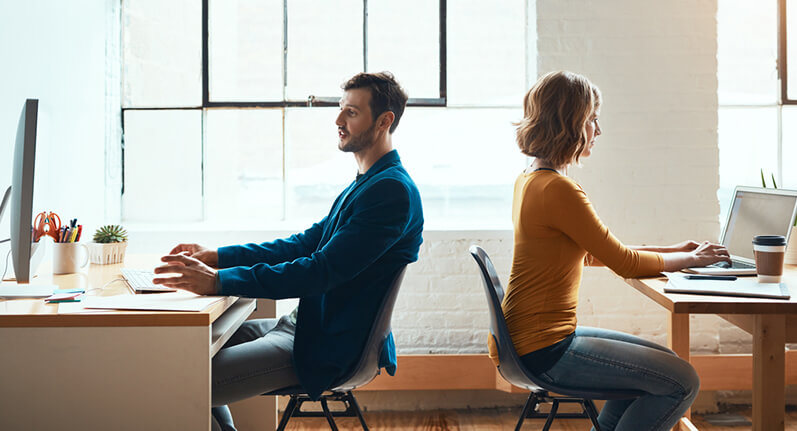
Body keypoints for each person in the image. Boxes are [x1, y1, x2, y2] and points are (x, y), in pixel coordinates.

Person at [153, 72, 424, 431]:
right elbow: (303, 244)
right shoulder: (368, 183)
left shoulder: (390, 192)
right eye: (341, 110)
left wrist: (218, 282)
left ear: (384, 121)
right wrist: (218, 257)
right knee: (182, 352)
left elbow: (319, 271)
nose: (338, 120)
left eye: (352, 113)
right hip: (304, 327)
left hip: (327, 346)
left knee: (179, 382)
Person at [491, 71, 731, 431]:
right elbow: (623, 262)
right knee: (682, 381)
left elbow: (593, 253)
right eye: (591, 119)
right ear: (568, 123)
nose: (598, 131)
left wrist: (675, 251)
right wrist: (692, 260)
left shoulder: (531, 180)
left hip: (532, 341)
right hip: (546, 350)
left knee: (663, 364)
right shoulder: (558, 190)